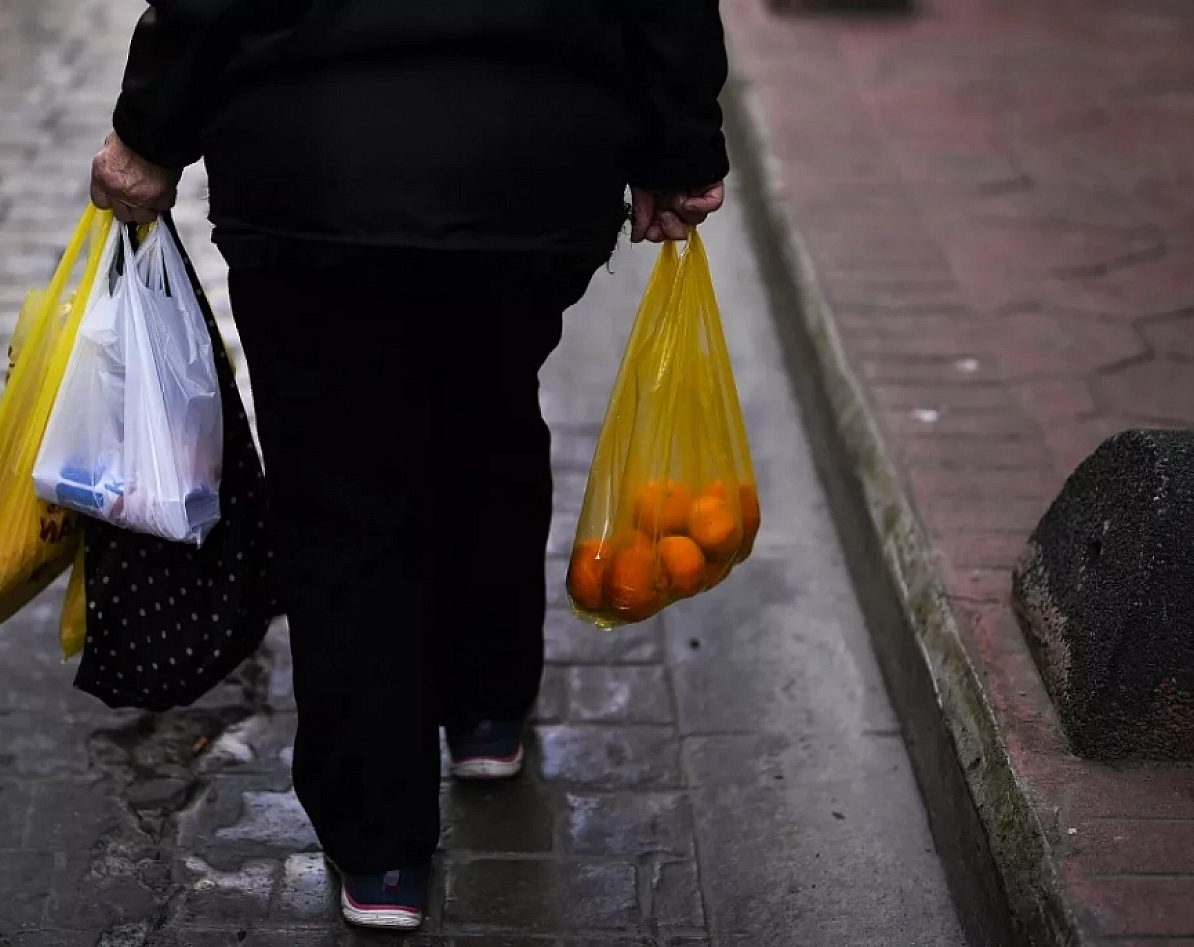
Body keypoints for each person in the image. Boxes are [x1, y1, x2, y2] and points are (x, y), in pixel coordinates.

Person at [89, 0, 730, 931]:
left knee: (343, 491)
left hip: (310, 174)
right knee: (489, 416)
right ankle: (485, 706)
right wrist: (680, 144)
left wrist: (149, 129)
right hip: (530, 169)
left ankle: (381, 844)